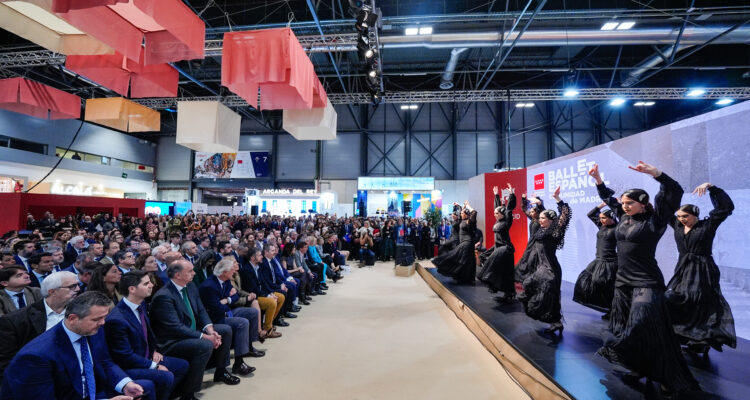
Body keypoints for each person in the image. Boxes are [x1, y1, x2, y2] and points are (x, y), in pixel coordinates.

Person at [590, 162, 699, 395]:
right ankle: (639, 366)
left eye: (630, 203)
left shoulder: (655, 220)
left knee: (645, 328)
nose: (625, 206)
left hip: (646, 282)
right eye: (623, 203)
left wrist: (657, 174)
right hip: (622, 283)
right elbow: (608, 197)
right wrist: (598, 179)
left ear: (642, 204)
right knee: (624, 327)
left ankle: (667, 375)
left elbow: (674, 192)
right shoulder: (622, 216)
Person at [1, 291, 154, 400]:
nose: (103, 323)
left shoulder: (92, 330)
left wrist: (125, 384)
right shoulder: (35, 357)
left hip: (91, 391)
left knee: (146, 388)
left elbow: (105, 362)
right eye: (97, 319)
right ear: (73, 318)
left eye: (104, 317)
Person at [149, 259, 239, 400]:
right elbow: (175, 327)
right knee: (204, 344)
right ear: (178, 275)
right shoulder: (164, 296)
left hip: (190, 331)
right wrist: (204, 337)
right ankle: (188, 394)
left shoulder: (190, 286)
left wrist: (210, 330)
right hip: (171, 341)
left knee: (224, 330)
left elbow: (201, 310)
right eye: (190, 271)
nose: (194, 273)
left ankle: (221, 372)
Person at [665, 182, 736, 356]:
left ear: (695, 215)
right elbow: (665, 208)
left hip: (703, 268)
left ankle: (701, 339)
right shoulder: (677, 226)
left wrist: (713, 188)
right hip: (683, 267)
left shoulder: (707, 225)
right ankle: (684, 334)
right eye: (680, 216)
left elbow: (726, 207)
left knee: (701, 301)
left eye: (685, 216)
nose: (681, 219)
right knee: (679, 298)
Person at [105, 270, 189, 400]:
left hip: (146, 356)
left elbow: (147, 334)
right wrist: (154, 365)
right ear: (132, 289)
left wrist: (154, 350)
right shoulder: (117, 319)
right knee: (166, 375)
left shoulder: (141, 303)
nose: (152, 285)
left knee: (182, 365)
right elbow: (124, 356)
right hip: (130, 365)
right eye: (146, 283)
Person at [0, 271, 79, 381]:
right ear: (52, 292)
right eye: (72, 287)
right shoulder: (16, 320)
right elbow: (7, 362)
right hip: (37, 378)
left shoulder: (80, 312)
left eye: (77, 285)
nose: (78, 289)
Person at [516, 186, 571, 336]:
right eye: (539, 218)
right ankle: (555, 321)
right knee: (531, 287)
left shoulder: (554, 231)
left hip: (550, 268)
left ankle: (556, 321)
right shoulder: (541, 228)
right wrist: (537, 204)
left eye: (543, 218)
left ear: (551, 220)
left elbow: (564, 215)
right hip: (541, 265)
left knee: (549, 295)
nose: (540, 220)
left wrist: (557, 198)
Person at [199, 258, 262, 376]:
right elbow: (217, 308)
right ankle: (239, 362)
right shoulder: (209, 286)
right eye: (231, 270)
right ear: (224, 272)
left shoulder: (226, 280)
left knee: (253, 313)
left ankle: (248, 347)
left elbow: (236, 296)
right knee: (242, 322)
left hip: (226, 312)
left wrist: (226, 300)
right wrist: (229, 300)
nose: (234, 272)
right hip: (214, 319)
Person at [573, 202, 618, 319]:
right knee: (585, 278)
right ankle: (606, 308)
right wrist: (601, 205)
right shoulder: (602, 226)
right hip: (598, 260)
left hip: (609, 262)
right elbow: (591, 214)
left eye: (604, 218)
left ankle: (612, 310)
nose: (601, 220)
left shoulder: (618, 229)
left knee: (607, 287)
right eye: (600, 218)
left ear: (611, 217)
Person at [477, 184, 517, 302]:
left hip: (505, 248)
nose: (494, 214)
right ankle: (502, 288)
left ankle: (509, 292)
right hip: (497, 247)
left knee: (506, 271)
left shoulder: (506, 221)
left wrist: (511, 194)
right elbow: (497, 207)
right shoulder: (498, 220)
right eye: (494, 213)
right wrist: (496, 195)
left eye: (496, 213)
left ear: (501, 214)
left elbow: (508, 209)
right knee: (486, 258)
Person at [238, 248, 283, 339]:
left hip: (262, 293)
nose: (262, 256)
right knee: (271, 302)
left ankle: (269, 323)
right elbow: (253, 289)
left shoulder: (258, 267)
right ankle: (268, 329)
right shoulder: (246, 270)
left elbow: (263, 283)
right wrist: (268, 296)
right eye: (259, 255)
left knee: (280, 297)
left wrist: (270, 293)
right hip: (254, 296)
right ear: (252, 258)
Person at [433, 201, 478, 284]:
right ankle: (465, 278)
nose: (460, 214)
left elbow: (474, 212)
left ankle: (466, 278)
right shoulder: (462, 220)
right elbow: (461, 212)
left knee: (460, 258)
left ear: (467, 214)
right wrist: (460, 206)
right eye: (460, 213)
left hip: (467, 242)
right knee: (467, 260)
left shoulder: (470, 221)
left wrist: (468, 206)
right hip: (463, 242)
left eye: (462, 213)